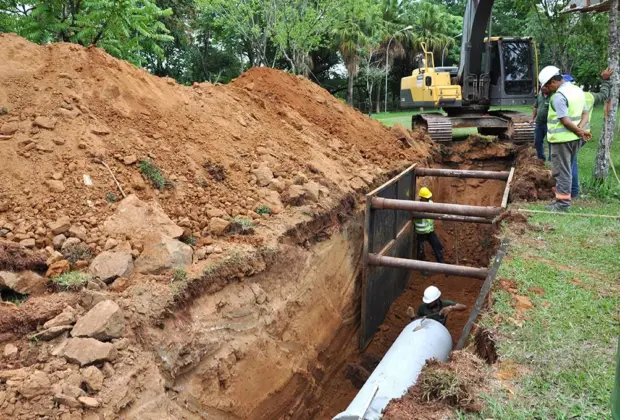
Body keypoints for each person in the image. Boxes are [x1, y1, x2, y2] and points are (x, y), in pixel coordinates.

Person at [538, 65, 592, 211]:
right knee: (568, 168)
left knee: (562, 171)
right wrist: (580, 130)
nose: (548, 89)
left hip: (562, 140)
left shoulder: (558, 97)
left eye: (547, 86)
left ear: (553, 82)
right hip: (574, 140)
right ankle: (565, 195)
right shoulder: (577, 90)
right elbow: (585, 114)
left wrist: (579, 132)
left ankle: (562, 204)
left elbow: (565, 121)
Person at [563, 69, 613, 198]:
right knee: (570, 161)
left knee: (570, 162)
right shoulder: (588, 96)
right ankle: (570, 190)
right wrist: (606, 81)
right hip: (584, 135)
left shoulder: (563, 96)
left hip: (572, 134)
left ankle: (573, 192)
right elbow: (603, 94)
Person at [414, 187, 444, 264]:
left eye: (428, 198)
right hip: (421, 233)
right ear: (421, 198)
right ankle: (422, 267)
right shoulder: (416, 206)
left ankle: (442, 264)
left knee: (437, 246)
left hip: (430, 231)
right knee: (421, 251)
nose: (427, 200)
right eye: (425, 198)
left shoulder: (430, 203)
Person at [531, 84, 550, 161]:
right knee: (537, 141)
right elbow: (535, 107)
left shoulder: (553, 96)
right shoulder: (540, 95)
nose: (543, 88)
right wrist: (533, 118)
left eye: (545, 86)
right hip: (539, 123)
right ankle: (541, 158)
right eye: (542, 86)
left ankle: (552, 159)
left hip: (549, 123)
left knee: (551, 142)